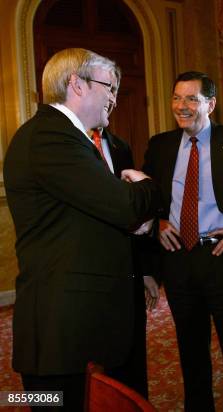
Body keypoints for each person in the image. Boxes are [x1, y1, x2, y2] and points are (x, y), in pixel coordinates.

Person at [3, 48, 158, 410]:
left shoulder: (68, 137)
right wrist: (147, 185)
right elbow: (124, 205)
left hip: (77, 324)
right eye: (110, 87)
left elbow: (101, 214)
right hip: (59, 329)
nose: (115, 98)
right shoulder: (50, 137)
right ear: (77, 84)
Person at [141, 71, 223, 411]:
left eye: (192, 99)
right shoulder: (160, 145)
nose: (182, 106)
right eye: (177, 98)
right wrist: (158, 222)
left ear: (210, 104)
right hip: (179, 257)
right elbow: (146, 197)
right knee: (190, 351)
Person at [87, 71, 160, 397]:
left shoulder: (119, 146)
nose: (114, 99)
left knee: (130, 368)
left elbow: (134, 213)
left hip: (126, 276)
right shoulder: (66, 148)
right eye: (108, 90)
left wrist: (144, 270)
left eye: (117, 91)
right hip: (87, 280)